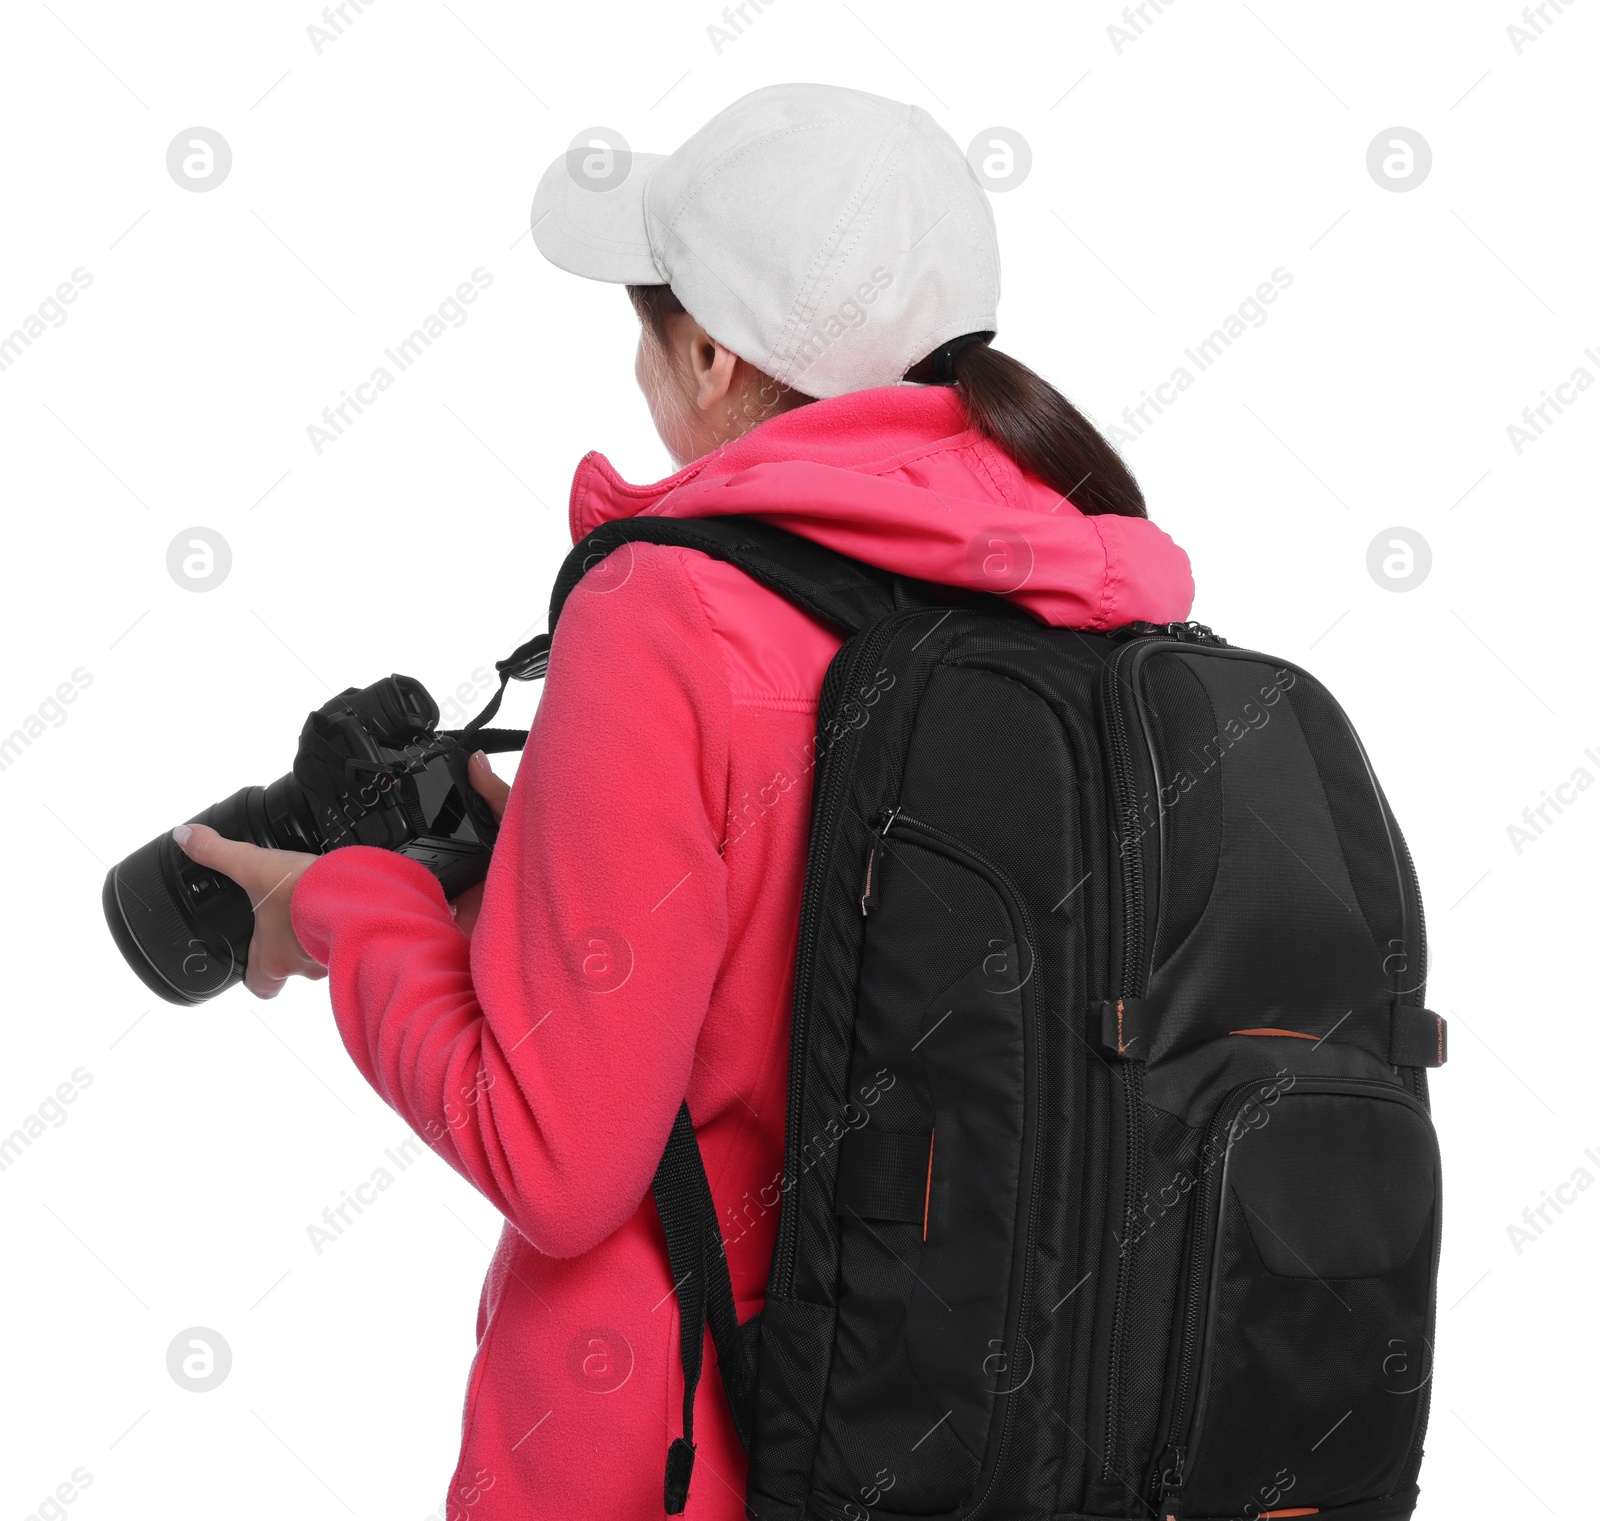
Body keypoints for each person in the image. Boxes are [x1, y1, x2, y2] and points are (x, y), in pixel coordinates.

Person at [173, 83, 1194, 1520]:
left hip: (671, 1454)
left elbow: (562, 1160)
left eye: (645, 329)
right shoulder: (1074, 597)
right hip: (991, 1449)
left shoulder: (673, 612)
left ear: (710, 353)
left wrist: (339, 906)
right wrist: (534, 888)